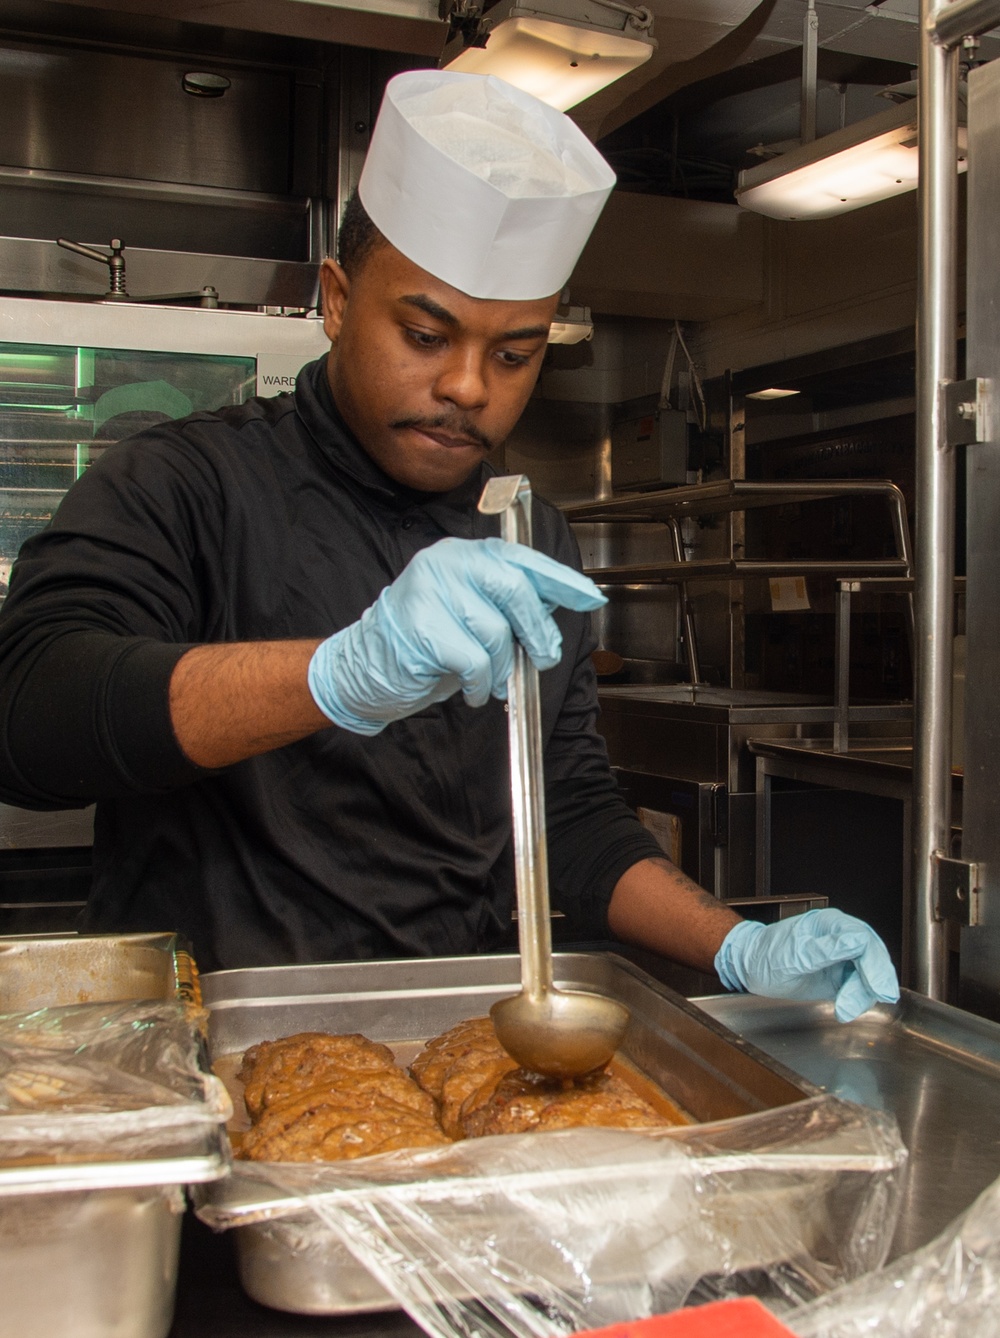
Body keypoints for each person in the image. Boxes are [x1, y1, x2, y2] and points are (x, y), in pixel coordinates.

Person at [0, 71, 898, 1022]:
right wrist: (336, 676)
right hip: (224, 1049)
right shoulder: (185, 485)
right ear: (338, 299)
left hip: (463, 1041)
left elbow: (571, 816)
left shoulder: (527, 536)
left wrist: (738, 946)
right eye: (426, 335)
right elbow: (28, 716)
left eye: (514, 354)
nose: (470, 386)